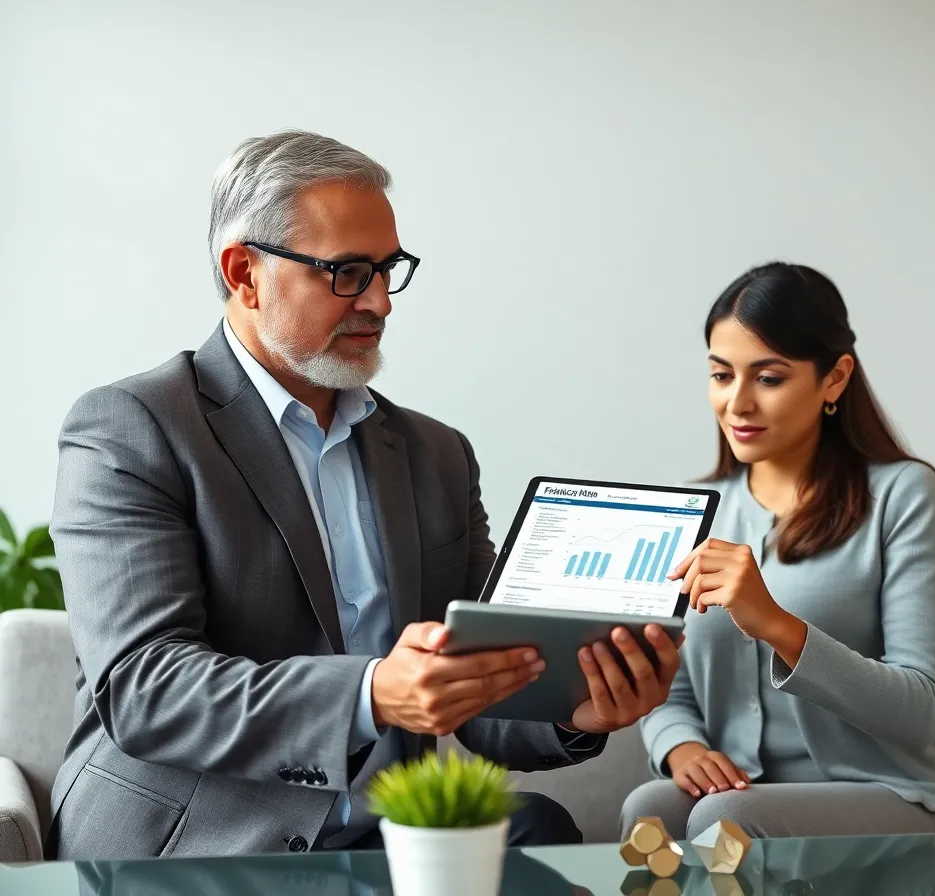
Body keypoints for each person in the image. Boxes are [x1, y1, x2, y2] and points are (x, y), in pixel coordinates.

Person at [46, 129, 681, 861]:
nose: (379, 300)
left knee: (542, 831)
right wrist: (372, 693)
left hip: (384, 837)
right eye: (347, 272)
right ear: (244, 272)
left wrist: (577, 707)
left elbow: (481, 689)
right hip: (198, 840)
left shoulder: (436, 454)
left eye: (388, 269)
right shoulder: (132, 428)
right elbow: (146, 688)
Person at [622, 262, 935, 840]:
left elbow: (922, 713)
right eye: (722, 376)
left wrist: (775, 624)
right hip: (743, 800)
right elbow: (667, 685)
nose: (738, 404)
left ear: (835, 378)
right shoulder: (695, 508)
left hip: (900, 797)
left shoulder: (903, 495)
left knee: (727, 820)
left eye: (768, 378)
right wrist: (683, 747)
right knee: (653, 808)